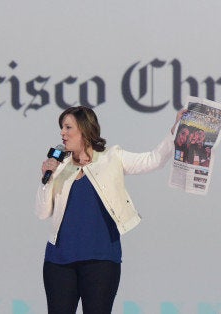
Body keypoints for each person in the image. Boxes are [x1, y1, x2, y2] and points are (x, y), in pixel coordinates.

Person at [35, 106, 185, 313]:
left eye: (68, 127)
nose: (62, 133)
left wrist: (175, 131)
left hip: (101, 260)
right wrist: (46, 179)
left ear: (85, 129)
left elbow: (153, 160)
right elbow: (42, 212)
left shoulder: (112, 158)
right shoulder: (60, 167)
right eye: (61, 127)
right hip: (59, 261)